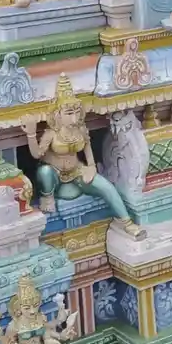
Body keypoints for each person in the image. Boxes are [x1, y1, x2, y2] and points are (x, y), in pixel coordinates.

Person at [28, 75, 143, 236]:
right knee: (44, 172)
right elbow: (37, 154)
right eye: (68, 113)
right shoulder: (51, 134)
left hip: (76, 171)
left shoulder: (80, 129)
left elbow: (87, 146)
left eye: (76, 112)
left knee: (107, 188)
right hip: (54, 175)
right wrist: (31, 135)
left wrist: (91, 166)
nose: (74, 118)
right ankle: (47, 197)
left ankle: (126, 222)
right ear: (57, 114)